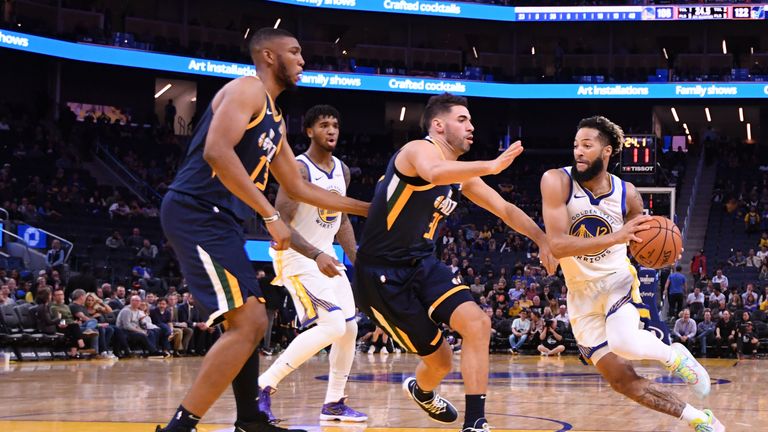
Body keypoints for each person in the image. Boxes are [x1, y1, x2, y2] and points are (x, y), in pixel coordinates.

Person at [156, 27, 368, 432]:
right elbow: (216, 151)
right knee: (252, 322)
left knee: (250, 323)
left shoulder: (276, 119)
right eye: (295, 51)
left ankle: (250, 419)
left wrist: (368, 209)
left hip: (224, 219)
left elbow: (300, 187)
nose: (302, 60)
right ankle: (180, 428)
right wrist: (270, 216)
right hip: (196, 209)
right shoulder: (247, 89)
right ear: (269, 56)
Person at [354, 93, 557, 432]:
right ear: (438, 125)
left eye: (471, 120)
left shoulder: (460, 175)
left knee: (478, 324)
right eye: (462, 119)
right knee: (441, 362)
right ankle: (422, 390)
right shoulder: (417, 151)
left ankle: (475, 422)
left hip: (423, 263)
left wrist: (541, 238)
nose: (471, 126)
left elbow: (504, 209)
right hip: (381, 274)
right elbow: (433, 172)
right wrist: (492, 165)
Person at [540, 116, 722, 431]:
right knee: (623, 381)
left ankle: (675, 357)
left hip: (617, 282)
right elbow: (557, 245)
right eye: (576, 145)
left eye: (587, 145)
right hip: (580, 296)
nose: (578, 151)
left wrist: (663, 252)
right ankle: (699, 419)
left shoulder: (628, 194)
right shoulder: (556, 181)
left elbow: (643, 243)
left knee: (624, 342)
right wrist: (615, 237)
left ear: (607, 151)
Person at [258, 105, 366, 423]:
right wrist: (316, 254)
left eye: (335, 125)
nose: (331, 130)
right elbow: (280, 225)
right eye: (323, 125)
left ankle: (334, 403)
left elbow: (341, 220)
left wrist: (358, 260)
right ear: (309, 131)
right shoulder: (299, 169)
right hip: (295, 255)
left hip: (325, 254)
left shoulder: (342, 170)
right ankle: (263, 385)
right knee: (333, 324)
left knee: (349, 327)